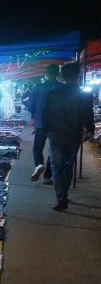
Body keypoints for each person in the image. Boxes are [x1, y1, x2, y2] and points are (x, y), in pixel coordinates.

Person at [41, 62, 94, 211]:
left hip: (56, 135)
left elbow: (45, 115)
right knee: (68, 165)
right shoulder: (84, 95)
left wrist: (46, 132)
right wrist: (90, 130)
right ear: (78, 77)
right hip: (74, 135)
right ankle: (63, 194)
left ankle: (61, 198)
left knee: (56, 167)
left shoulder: (52, 94)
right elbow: (88, 117)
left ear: (62, 76)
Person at [28, 63, 62, 184]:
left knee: (38, 147)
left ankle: (39, 164)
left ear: (46, 74)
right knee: (53, 149)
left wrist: (34, 115)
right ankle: (47, 176)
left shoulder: (39, 87)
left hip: (41, 122)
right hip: (57, 123)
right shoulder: (61, 87)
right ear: (58, 74)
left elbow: (30, 105)